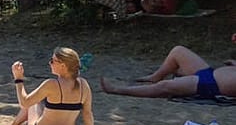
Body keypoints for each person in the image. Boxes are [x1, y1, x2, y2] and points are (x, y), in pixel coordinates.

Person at [12, 46, 95, 125]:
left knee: (33, 102)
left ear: (63, 66)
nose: (50, 63)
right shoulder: (84, 85)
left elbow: (24, 103)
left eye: (53, 61)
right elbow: (87, 115)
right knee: (44, 104)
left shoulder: (51, 84)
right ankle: (16, 124)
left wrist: (18, 79)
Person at [100, 45, 236, 100]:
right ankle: (155, 77)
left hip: (209, 85)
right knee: (178, 51)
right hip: (211, 73)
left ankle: (117, 90)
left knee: (165, 86)